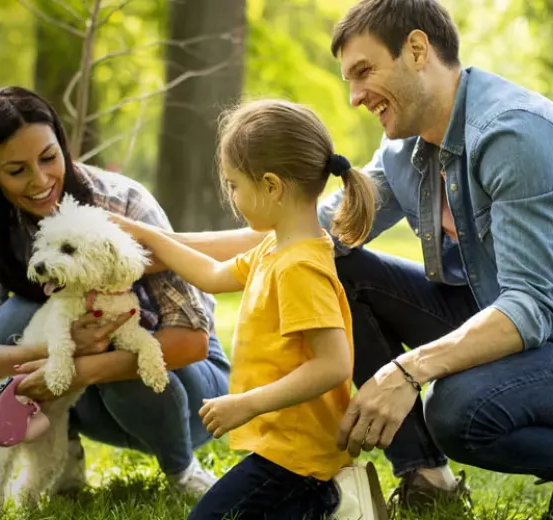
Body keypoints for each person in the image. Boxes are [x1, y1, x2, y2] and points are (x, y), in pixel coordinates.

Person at [156, 1, 553, 517]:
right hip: (515, 326)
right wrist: (147, 244)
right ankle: (425, 477)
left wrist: (405, 370)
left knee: (457, 410)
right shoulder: (407, 147)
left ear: (417, 51)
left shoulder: (514, 135)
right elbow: (301, 233)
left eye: (364, 71)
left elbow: (531, 307)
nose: (354, 96)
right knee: (341, 265)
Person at [109, 98, 386, 520]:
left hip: (296, 456)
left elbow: (333, 364)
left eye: (235, 184)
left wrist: (248, 403)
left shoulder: (299, 268)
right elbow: (213, 274)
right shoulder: (275, 248)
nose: (232, 196)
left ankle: (332, 504)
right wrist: (148, 234)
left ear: (272, 186)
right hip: (281, 448)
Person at [0, 86, 229, 497]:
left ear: (63, 147)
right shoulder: (1, 237)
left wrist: (80, 364)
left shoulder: (124, 205)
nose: (40, 180)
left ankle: (183, 472)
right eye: (17, 170)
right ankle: (63, 462)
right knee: (15, 318)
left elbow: (192, 343)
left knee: (120, 340)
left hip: (187, 395)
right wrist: (50, 354)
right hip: (97, 405)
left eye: (49, 158)